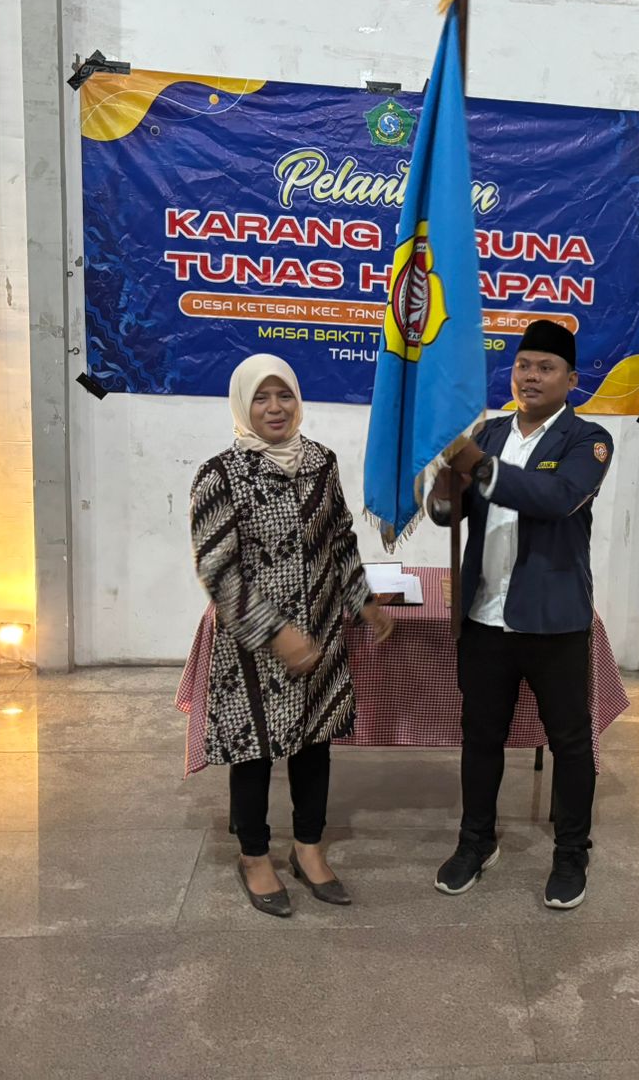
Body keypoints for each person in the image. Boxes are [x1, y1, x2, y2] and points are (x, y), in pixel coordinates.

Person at [190, 354, 394, 917]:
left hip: (321, 633)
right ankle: (254, 856)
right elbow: (218, 570)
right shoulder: (220, 474)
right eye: (262, 397)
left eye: (285, 395)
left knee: (314, 744)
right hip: (253, 647)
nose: (275, 408)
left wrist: (363, 601)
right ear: (243, 404)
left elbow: (340, 539)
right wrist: (277, 635)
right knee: (254, 751)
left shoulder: (321, 463)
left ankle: (308, 849)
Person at [429, 320, 613, 910]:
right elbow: (447, 515)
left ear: (571, 380)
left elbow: (555, 499)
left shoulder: (588, 440)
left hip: (554, 621)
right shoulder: (488, 432)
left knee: (570, 743)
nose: (531, 377)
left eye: (546, 368)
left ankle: (571, 854)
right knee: (481, 737)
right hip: (485, 617)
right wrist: (443, 486)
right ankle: (475, 841)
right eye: (523, 365)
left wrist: (478, 466)